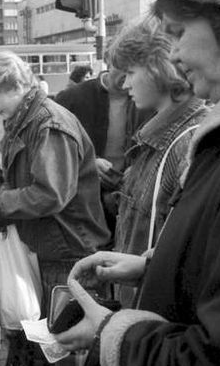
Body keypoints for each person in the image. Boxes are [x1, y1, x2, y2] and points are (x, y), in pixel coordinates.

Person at [55, 0, 220, 366]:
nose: (176, 51)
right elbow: (209, 260)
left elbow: (212, 362)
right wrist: (150, 266)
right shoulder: (204, 141)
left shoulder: (191, 144)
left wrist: (112, 332)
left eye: (180, 32)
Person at [0, 51, 110, 366]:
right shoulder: (24, 121)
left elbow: (49, 194)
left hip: (67, 253)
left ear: (15, 86)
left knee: (66, 352)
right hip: (50, 248)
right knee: (47, 347)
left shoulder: (48, 124)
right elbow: (17, 181)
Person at [108, 18, 209, 259]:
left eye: (131, 72)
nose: (125, 83)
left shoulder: (188, 142)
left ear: (159, 69)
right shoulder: (162, 136)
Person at [55, 61, 154, 241]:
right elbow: (52, 151)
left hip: (131, 201)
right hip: (84, 208)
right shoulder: (71, 98)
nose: (127, 79)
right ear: (108, 61)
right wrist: (87, 163)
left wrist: (139, 168)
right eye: (123, 67)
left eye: (133, 71)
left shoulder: (150, 99)